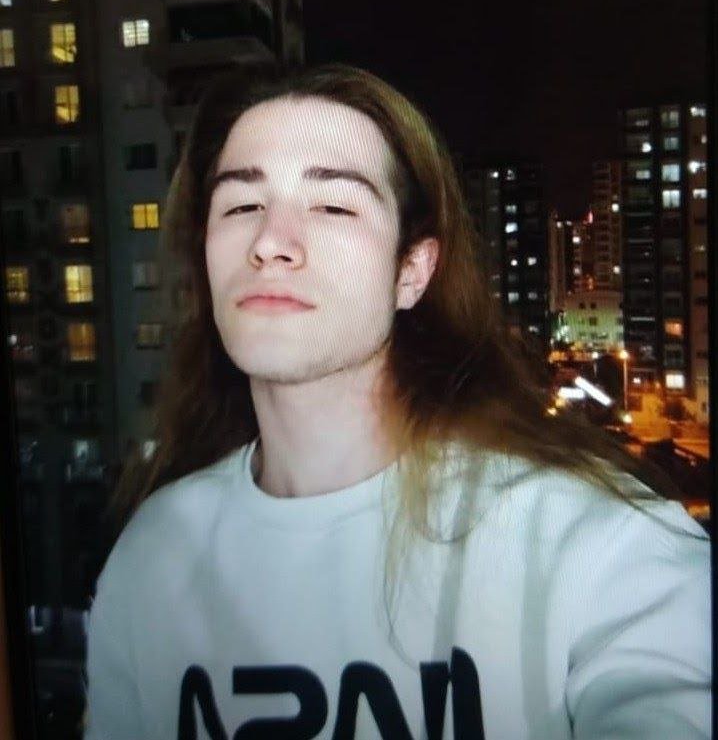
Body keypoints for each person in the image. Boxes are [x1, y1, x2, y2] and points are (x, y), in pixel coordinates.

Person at [83, 64, 710, 739]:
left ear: (412, 271)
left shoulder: (588, 545)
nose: (269, 243)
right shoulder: (154, 556)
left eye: (332, 206)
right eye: (240, 206)